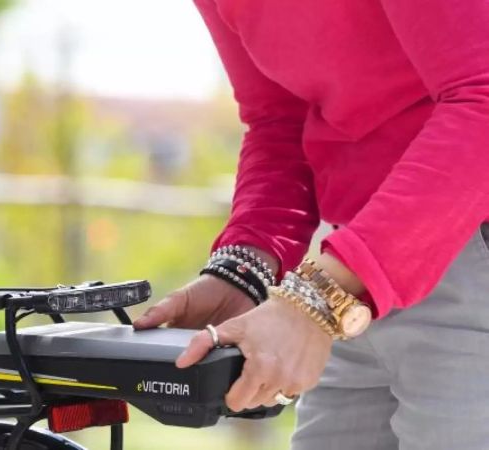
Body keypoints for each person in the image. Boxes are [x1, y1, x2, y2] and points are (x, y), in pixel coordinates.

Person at [132, 1, 489, 449]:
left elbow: (483, 98)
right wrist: (244, 268)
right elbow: (279, 121)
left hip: (454, 258)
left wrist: (320, 298)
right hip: (354, 267)